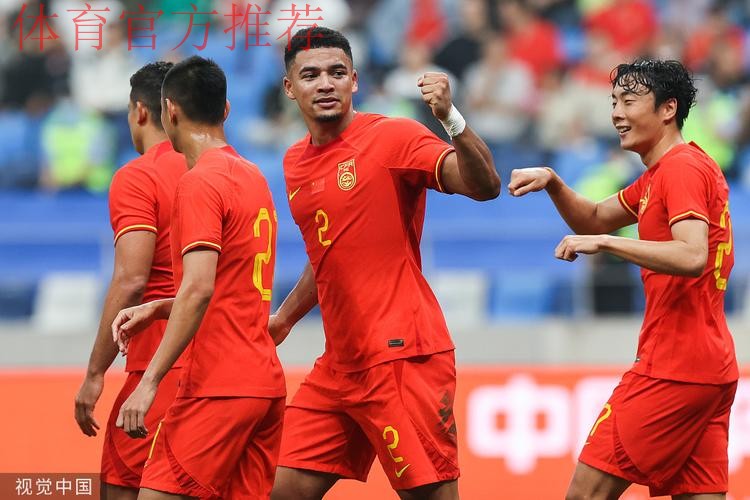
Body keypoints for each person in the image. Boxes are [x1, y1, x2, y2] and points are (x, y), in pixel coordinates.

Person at [270, 27, 500, 500]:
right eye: (311, 75)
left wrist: (451, 119)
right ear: (290, 88)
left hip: (401, 356)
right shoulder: (294, 162)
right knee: (276, 489)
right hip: (340, 365)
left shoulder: (393, 136)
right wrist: (285, 318)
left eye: (337, 72)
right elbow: (328, 253)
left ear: (354, 80)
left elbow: (484, 186)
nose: (326, 83)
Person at [508, 59, 737, 499]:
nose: (616, 113)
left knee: (585, 494)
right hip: (709, 368)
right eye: (613, 102)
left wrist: (608, 244)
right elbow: (594, 217)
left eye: (629, 101)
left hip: (673, 367)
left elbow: (692, 254)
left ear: (668, 109)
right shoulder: (662, 175)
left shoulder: (681, 169)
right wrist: (554, 182)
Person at [111, 56, 286, 499]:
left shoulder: (199, 182)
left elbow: (199, 287)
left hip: (219, 385)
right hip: (264, 383)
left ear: (169, 110)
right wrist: (158, 307)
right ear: (226, 110)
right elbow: (231, 287)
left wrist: (149, 382)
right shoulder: (253, 176)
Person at [73, 61, 186, 500]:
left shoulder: (140, 175)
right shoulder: (235, 171)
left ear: (140, 111)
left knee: (122, 487)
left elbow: (131, 278)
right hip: (232, 367)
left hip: (160, 366)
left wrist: (94, 372)